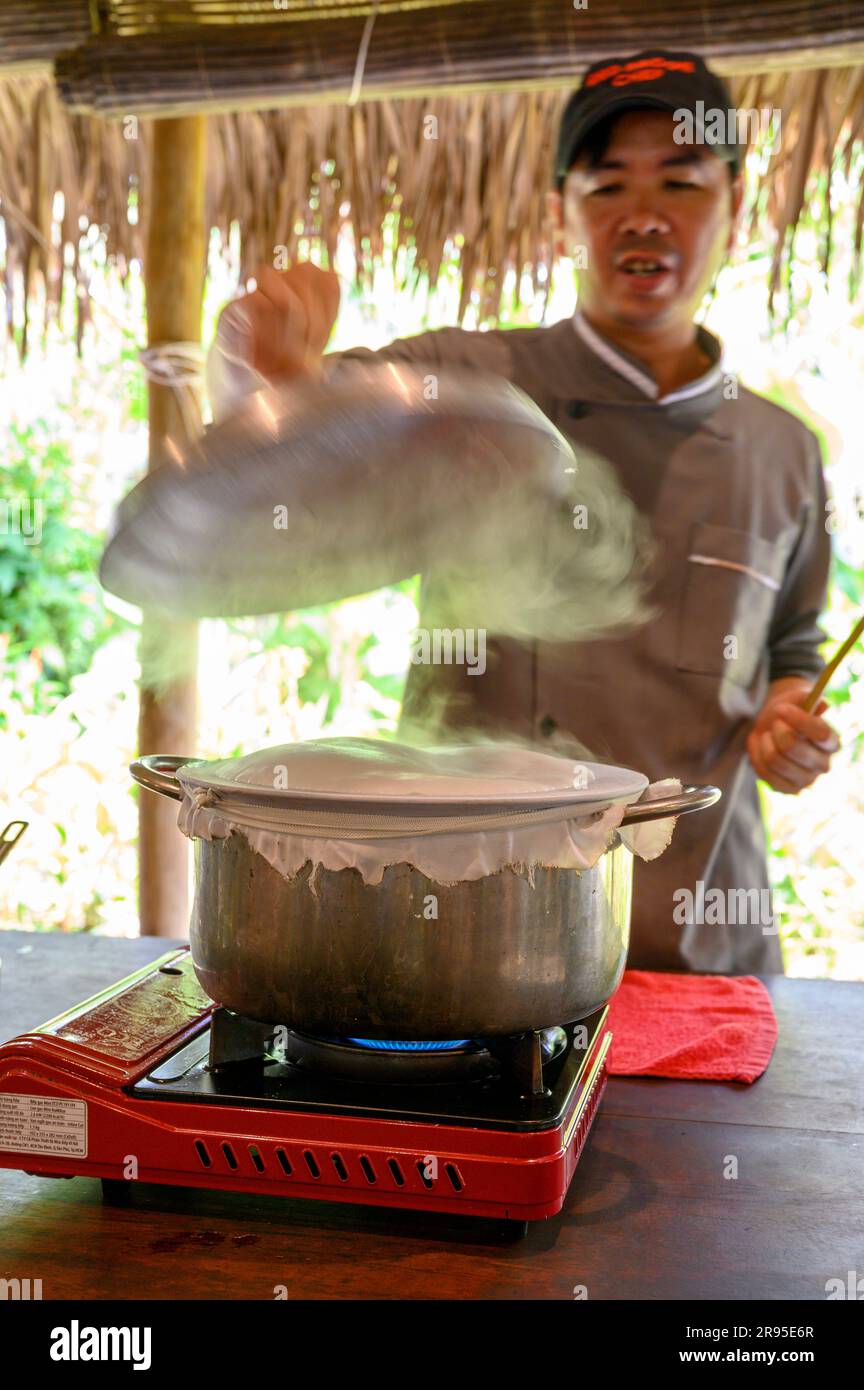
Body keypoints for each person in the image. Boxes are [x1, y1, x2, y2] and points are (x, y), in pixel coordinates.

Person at [207, 50, 840, 975]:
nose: (644, 214)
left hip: (699, 944)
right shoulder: (465, 385)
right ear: (560, 216)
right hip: (471, 936)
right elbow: (284, 443)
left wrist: (791, 712)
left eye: (682, 180)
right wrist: (265, 360)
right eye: (607, 183)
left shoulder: (783, 449)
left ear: (735, 208)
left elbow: (793, 646)